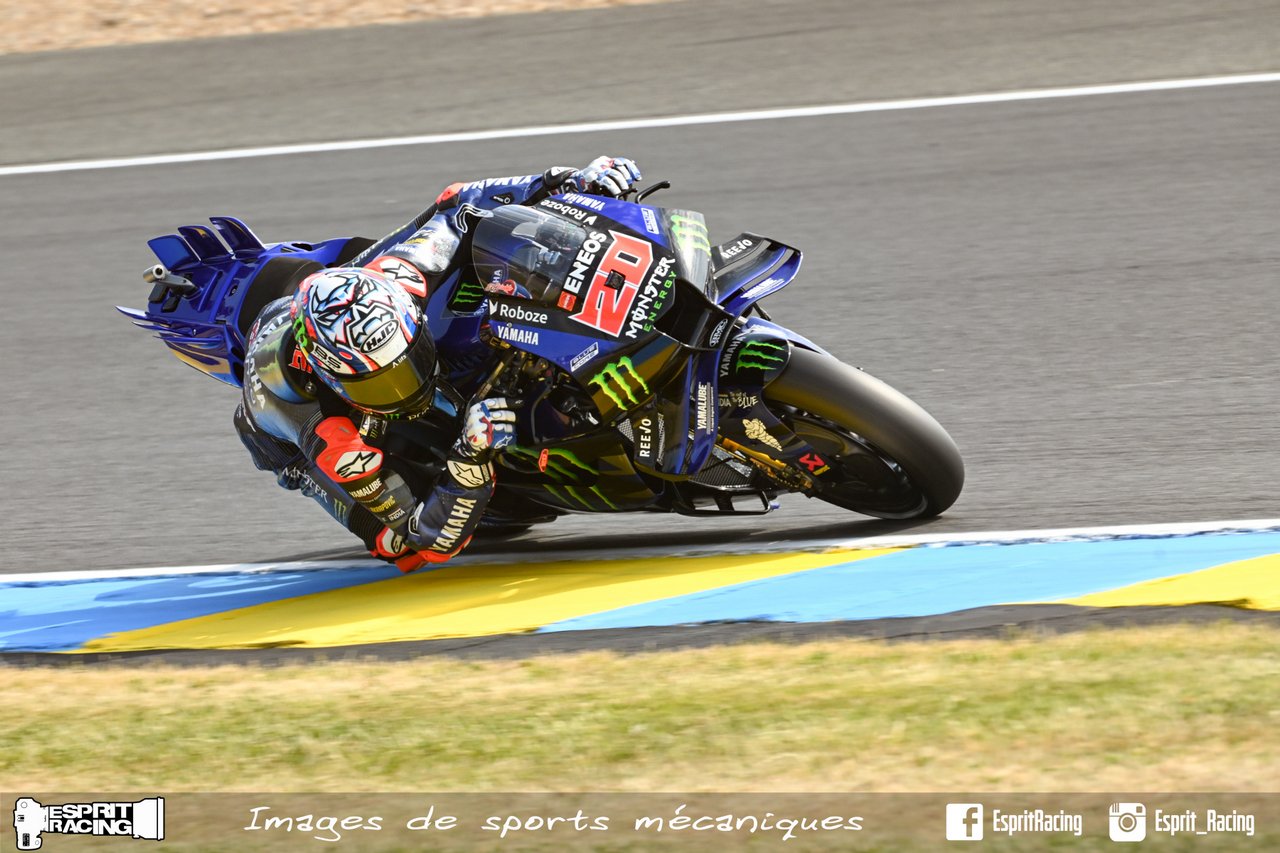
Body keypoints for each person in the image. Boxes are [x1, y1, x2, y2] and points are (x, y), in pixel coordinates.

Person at [233, 157, 642, 571]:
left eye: (408, 362)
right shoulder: (326, 431)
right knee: (395, 544)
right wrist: (468, 455)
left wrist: (564, 180)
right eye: (378, 385)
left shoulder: (403, 275)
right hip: (289, 440)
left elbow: (459, 202)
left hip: (338, 293)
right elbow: (428, 541)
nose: (404, 387)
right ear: (331, 376)